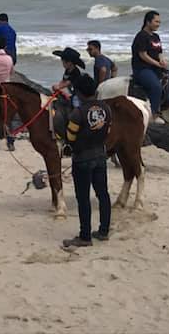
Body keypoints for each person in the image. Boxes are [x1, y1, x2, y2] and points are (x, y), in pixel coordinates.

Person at [61, 89, 112, 248]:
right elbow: (107, 131)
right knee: (103, 194)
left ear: (81, 95)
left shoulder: (78, 113)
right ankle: (103, 231)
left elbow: (70, 137)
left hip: (82, 159)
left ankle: (85, 236)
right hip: (100, 156)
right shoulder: (106, 109)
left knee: (83, 199)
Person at [131, 10, 168, 117]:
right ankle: (154, 113)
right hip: (142, 69)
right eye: (156, 22)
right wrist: (157, 64)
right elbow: (143, 55)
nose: (158, 24)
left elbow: (159, 52)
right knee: (156, 87)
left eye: (159, 22)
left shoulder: (156, 37)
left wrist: (162, 60)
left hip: (156, 68)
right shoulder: (141, 36)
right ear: (148, 22)